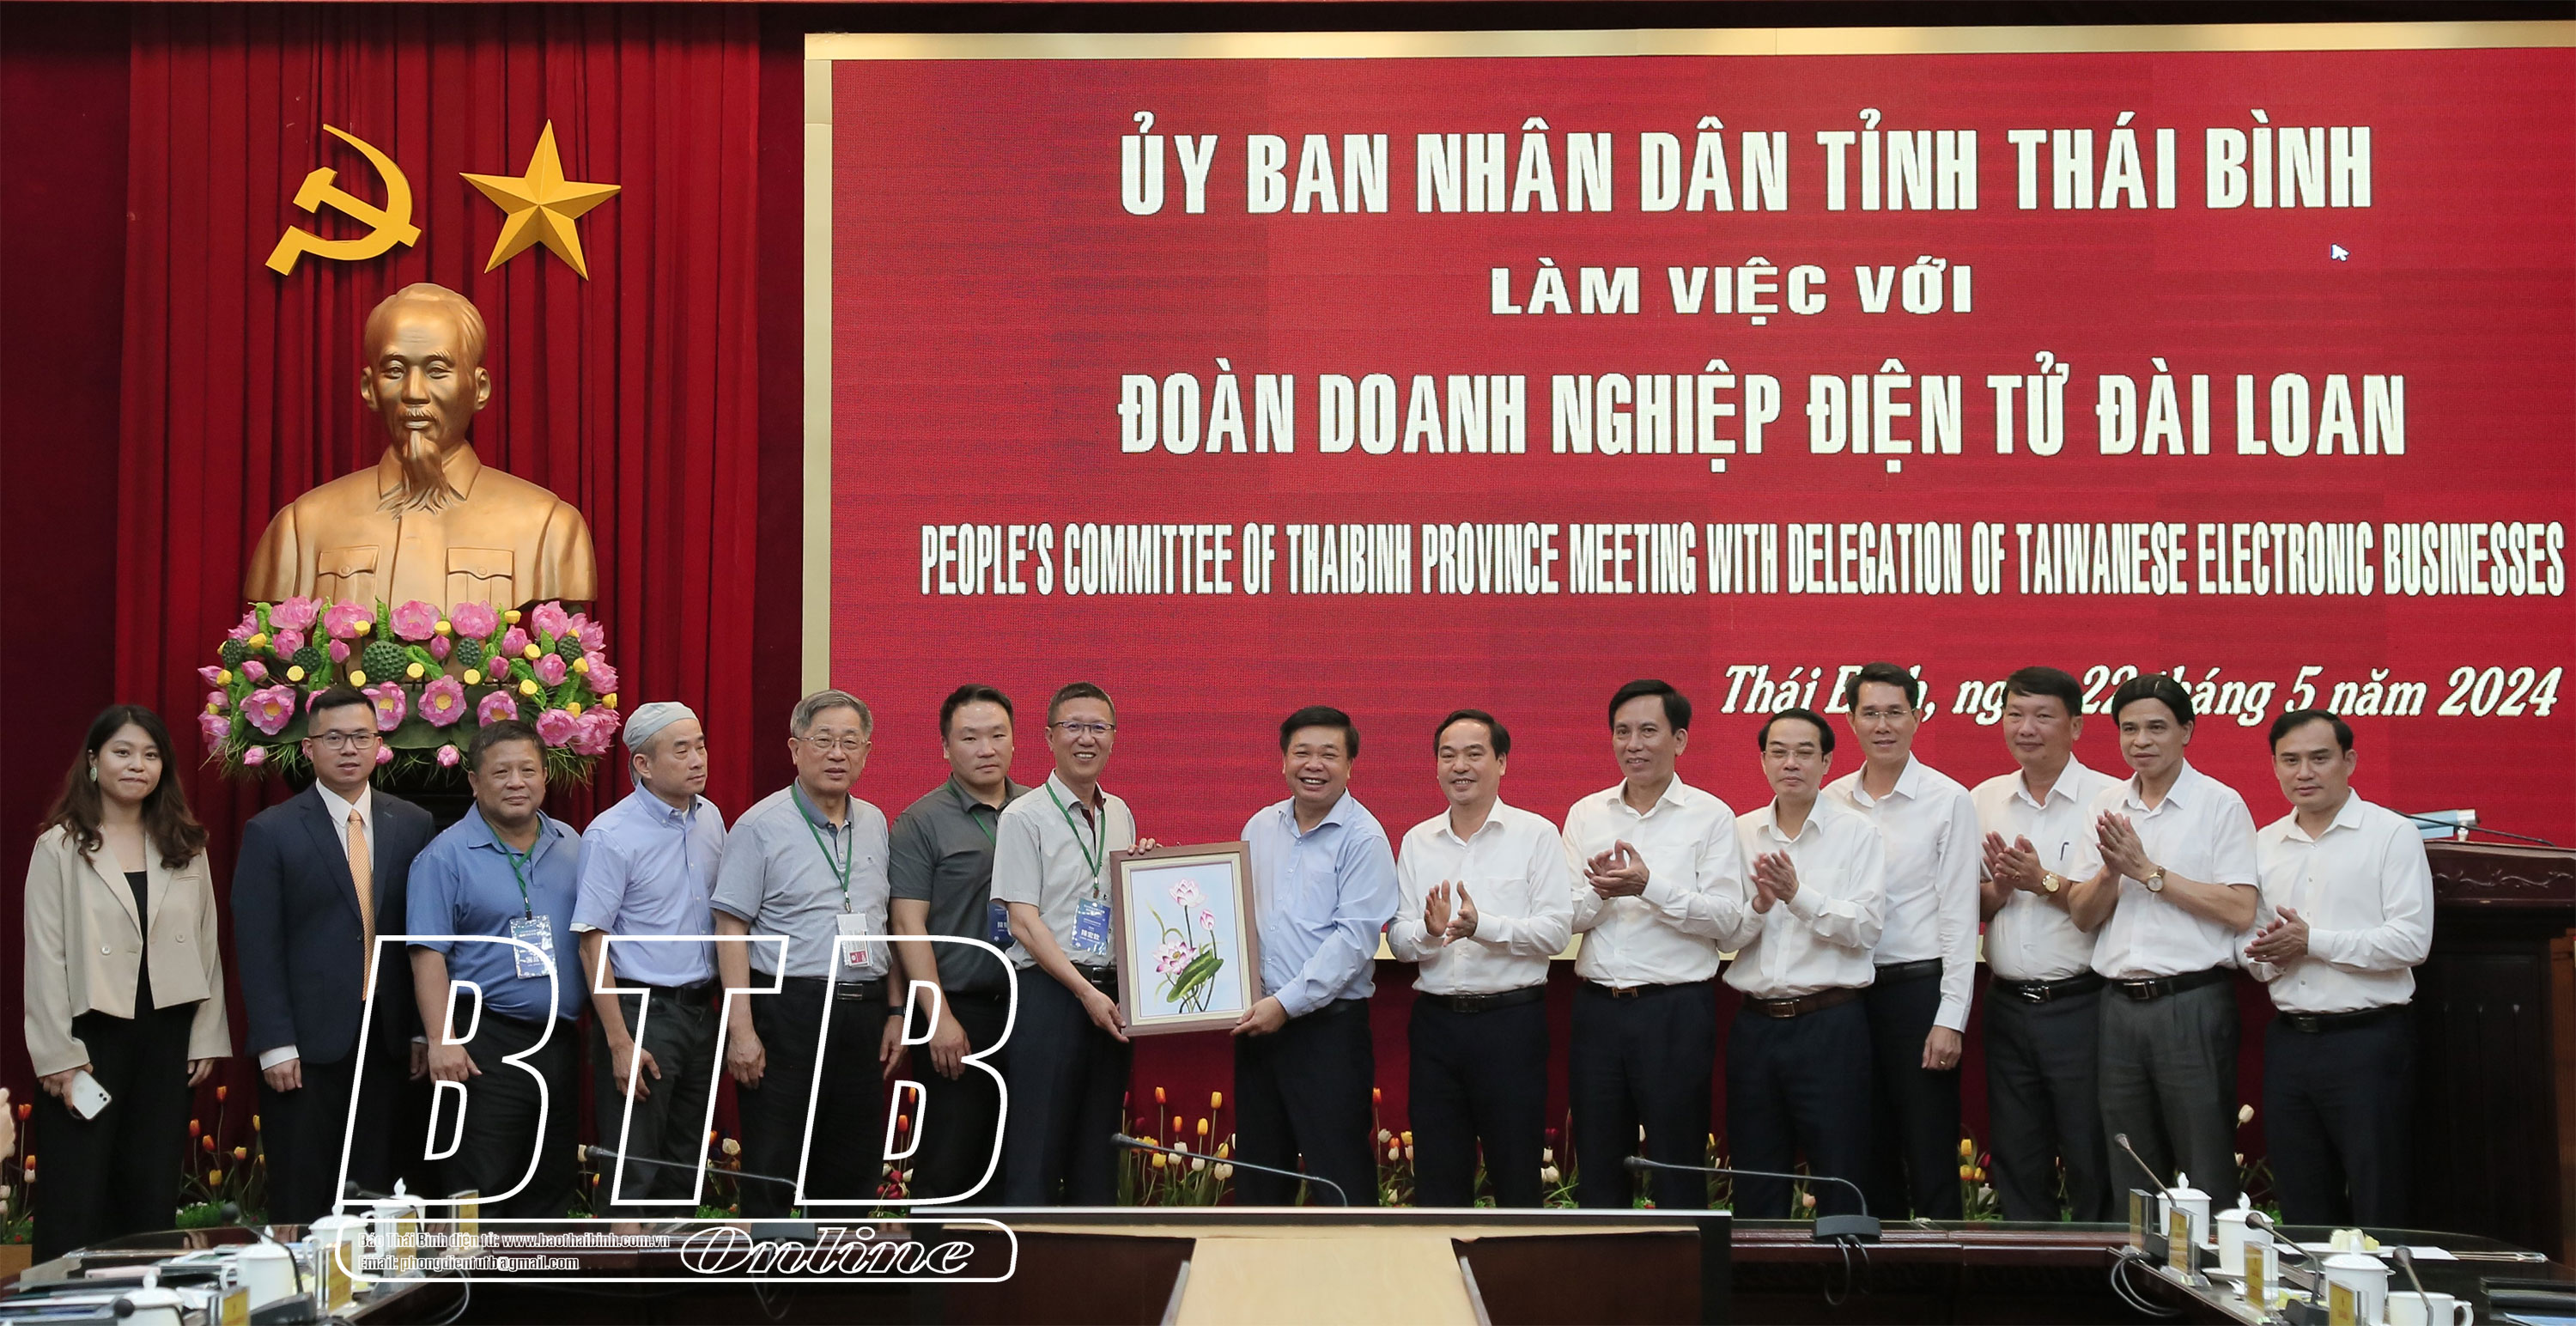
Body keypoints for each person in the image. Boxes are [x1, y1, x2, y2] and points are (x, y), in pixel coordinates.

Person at [243, 282, 595, 611]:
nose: (414, 393)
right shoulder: (302, 527)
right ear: (369, 388)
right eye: (395, 370)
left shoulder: (549, 526)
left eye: (437, 370)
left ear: (480, 388)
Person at [23, 706, 230, 1259]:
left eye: (151, 754)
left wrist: (206, 1035)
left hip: (166, 1037)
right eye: (123, 752)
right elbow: (44, 956)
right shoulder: (59, 846)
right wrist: (58, 1054)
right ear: (93, 761)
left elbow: (207, 944)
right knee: (76, 1195)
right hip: (88, 1040)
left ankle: (145, 1299)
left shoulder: (186, 843)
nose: (137, 765)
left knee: (149, 1191)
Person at [232, 684, 435, 1224]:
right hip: (305, 1047)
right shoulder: (271, 830)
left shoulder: (412, 823)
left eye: (361, 737)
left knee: (378, 1193)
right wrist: (274, 1042)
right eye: (334, 738)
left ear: (380, 745)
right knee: (304, 1193)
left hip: (389, 1040)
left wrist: (422, 1030)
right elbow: (257, 944)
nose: (349, 749)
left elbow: (424, 934)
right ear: (309, 748)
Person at [2066, 674, 2261, 1208]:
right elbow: (2082, 915)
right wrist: (2111, 872)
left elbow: (2240, 909)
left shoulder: (2219, 804)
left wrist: (2149, 873)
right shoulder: (2106, 805)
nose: (2141, 741)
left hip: (2190, 1003)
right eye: (2129, 729)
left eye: (2156, 728)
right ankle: (2137, 1262)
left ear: (2187, 732)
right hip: (2118, 1007)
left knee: (2206, 1163)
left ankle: (2211, 1262)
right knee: (2131, 1166)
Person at [1559, 679, 1746, 1210]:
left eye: (1648, 731)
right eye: (1622, 732)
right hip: (1598, 1011)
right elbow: (1564, 918)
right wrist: (1602, 892)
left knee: (1676, 1160)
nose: (1633, 745)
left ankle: (1681, 1263)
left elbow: (1727, 920)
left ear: (1680, 739)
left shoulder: (1711, 816)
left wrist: (1650, 887)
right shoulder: (1586, 814)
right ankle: (1603, 1263)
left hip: (1675, 1011)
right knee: (1598, 1162)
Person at [712, 689, 898, 1216]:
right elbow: (731, 928)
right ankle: (770, 1266)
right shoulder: (759, 826)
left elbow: (883, 922)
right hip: (789, 1009)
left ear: (867, 751)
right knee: (774, 1159)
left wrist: (894, 1011)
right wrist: (741, 1031)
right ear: (795, 749)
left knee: (853, 1161)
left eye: (850, 742)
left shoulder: (876, 822)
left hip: (863, 1010)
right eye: (824, 741)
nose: (837, 754)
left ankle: (840, 1266)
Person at [2242, 710, 2432, 1226]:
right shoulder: (2263, 842)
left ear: (2349, 761)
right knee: (2302, 1200)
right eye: (2290, 760)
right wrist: (2269, 957)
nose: (2304, 772)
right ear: (2275, 767)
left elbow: (2411, 940)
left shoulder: (2391, 834)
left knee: (2379, 1194)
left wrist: (2312, 942)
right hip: (2290, 1040)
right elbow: (2248, 944)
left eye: (2319, 758)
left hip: (2368, 1042)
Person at [1387, 709, 1574, 1208]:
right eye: (1447, 755)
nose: (1460, 766)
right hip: (1437, 1027)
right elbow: (1400, 940)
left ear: (1502, 762)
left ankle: (1517, 1263)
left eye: (1474, 754)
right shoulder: (1417, 841)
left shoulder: (1536, 834)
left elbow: (1557, 932)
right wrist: (1429, 933)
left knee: (1516, 1173)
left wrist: (1483, 926)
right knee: (1438, 1176)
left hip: (1510, 1026)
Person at [406, 720, 585, 1216]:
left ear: (545, 776)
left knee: (550, 1186)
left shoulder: (572, 844)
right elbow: (427, 955)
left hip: (559, 1043)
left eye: (528, 770)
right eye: (501, 772)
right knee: (480, 1188)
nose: (516, 783)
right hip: (484, 1043)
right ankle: (470, 1273)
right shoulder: (444, 857)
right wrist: (442, 1039)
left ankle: (539, 1270)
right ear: (474, 781)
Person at [1825, 663, 1979, 1220]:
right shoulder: (1831, 798)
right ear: (1851, 721)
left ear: (1917, 717)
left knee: (1930, 1147)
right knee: (1863, 1149)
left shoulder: (1948, 799)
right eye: (1870, 713)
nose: (1883, 725)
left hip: (1917, 993)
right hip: (1845, 994)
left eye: (1895, 712)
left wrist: (1950, 1017)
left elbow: (1960, 915)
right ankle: (1874, 1267)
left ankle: (1938, 1270)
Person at [1972, 666, 2123, 1222]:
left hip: (2082, 1003)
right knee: (2017, 1154)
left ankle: (2101, 1264)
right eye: (2014, 714)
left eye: (2042, 716)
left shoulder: (2108, 799)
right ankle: (2027, 1267)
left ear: (2075, 726)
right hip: (2006, 1003)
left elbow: (2106, 905)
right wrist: (2000, 889)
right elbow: (1972, 907)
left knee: (2090, 1152)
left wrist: (2043, 882)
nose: (2025, 728)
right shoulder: (1984, 799)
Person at [1235, 706, 1400, 1206]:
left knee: (1338, 1176)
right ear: (1283, 760)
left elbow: (1353, 942)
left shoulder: (1365, 838)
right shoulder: (1260, 827)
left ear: (1350, 765)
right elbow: (1231, 915)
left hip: (1329, 1034)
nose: (1313, 765)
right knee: (1261, 1177)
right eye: (1301, 752)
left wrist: (1284, 1004)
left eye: (1329, 754)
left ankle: (1350, 1262)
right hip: (1259, 1028)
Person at [1725, 709, 1886, 1220]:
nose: (1790, 763)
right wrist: (1759, 907)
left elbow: (1866, 929)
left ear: (1827, 762)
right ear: (1763, 760)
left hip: (1829, 1024)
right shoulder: (1740, 832)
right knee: (1756, 1173)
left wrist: (1798, 896)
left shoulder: (1857, 833)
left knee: (1841, 1167)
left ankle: (1847, 1264)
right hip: (1755, 1025)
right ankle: (1756, 1269)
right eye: (1778, 752)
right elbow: (1724, 935)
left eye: (1803, 753)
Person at [572, 702, 725, 1216]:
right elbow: (592, 942)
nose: (697, 759)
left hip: (701, 1009)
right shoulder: (611, 834)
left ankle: (674, 1266)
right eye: (681, 750)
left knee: (686, 1166)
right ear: (643, 764)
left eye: (700, 745)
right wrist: (619, 1041)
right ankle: (624, 1267)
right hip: (641, 1014)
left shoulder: (711, 818)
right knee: (632, 1169)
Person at [993, 683, 1143, 1205]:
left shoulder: (1120, 812)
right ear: (1049, 737)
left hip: (1111, 997)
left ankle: (1094, 1255)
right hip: (1050, 995)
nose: (1086, 738)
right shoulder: (1023, 816)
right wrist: (1084, 992)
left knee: (1097, 1152)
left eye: (1098, 728)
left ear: (1113, 738)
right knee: (1036, 1147)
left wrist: (1146, 870)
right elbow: (1023, 923)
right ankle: (1027, 1252)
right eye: (1073, 727)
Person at [891, 684, 1030, 1204]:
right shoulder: (921, 822)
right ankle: (936, 1258)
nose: (986, 749)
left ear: (1015, 741)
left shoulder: (1040, 810)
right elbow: (907, 924)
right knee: (950, 1163)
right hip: (960, 1010)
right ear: (946, 747)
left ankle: (1005, 1259)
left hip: (1032, 1005)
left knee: (1018, 1161)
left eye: (997, 735)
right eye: (970, 738)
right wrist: (939, 1018)